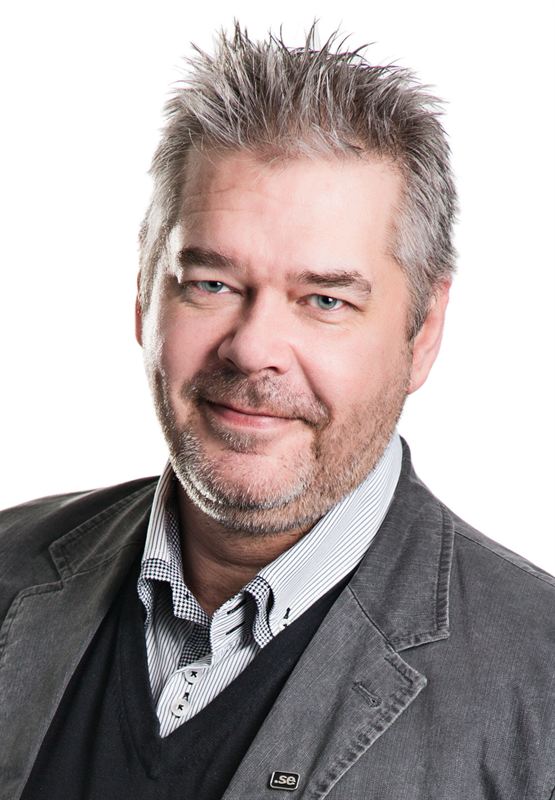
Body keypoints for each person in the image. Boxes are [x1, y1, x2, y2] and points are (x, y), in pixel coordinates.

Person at [0, 23, 553, 800]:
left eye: (324, 300)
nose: (252, 348)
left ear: (422, 331)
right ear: (144, 294)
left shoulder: (539, 691)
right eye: (211, 284)